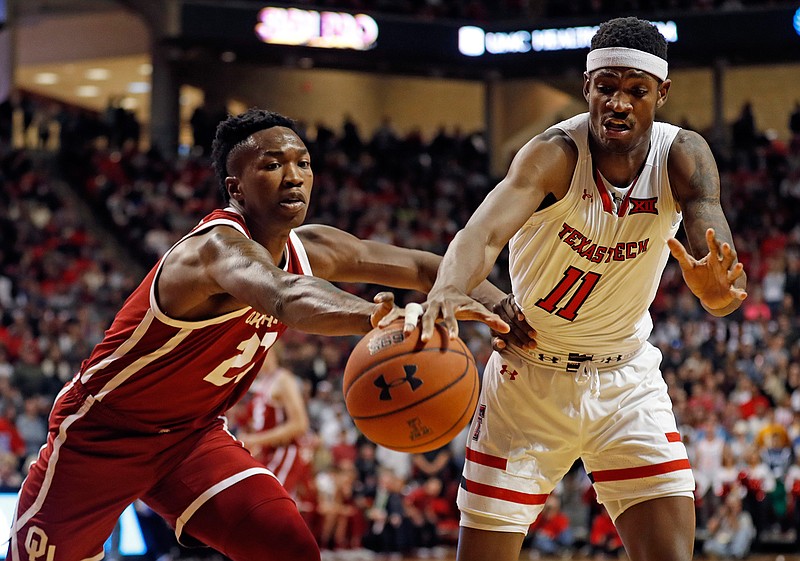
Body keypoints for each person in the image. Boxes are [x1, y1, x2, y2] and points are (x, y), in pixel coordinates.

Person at [7, 108, 519, 561]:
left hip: (190, 437)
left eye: (303, 163)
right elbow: (284, 295)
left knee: (289, 549)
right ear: (235, 187)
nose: (293, 177)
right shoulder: (211, 252)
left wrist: (504, 307)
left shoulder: (313, 246)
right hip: (102, 437)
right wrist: (376, 316)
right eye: (272, 165)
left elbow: (423, 265)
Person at [420, 16, 748, 561]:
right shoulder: (553, 154)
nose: (618, 103)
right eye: (607, 88)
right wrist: (450, 287)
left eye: (636, 91)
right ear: (586, 87)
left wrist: (713, 292)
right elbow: (481, 234)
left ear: (661, 93)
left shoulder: (684, 156)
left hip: (626, 382)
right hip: (529, 380)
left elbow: (719, 285)